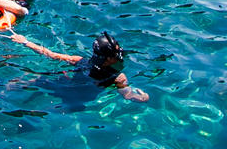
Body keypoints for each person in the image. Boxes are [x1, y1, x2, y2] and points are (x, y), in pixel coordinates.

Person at [9, 31, 149, 101]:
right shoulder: (118, 77)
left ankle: (15, 86)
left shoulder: (80, 60)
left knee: (38, 80)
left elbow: (51, 54)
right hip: (80, 98)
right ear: (110, 58)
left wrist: (25, 42)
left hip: (64, 85)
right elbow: (127, 95)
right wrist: (144, 97)